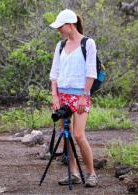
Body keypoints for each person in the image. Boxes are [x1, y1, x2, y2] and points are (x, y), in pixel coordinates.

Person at [49, 9, 97, 187]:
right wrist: (55, 96)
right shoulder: (60, 45)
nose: (59, 30)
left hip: (80, 95)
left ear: (70, 25)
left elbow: (91, 72)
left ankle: (91, 173)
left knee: (78, 134)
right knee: (66, 135)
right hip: (62, 95)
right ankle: (74, 173)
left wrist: (84, 96)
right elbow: (54, 73)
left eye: (61, 27)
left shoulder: (88, 43)